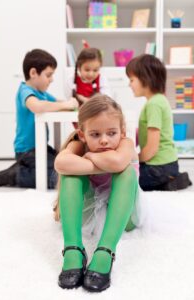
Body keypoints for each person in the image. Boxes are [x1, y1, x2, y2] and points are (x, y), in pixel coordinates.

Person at [54, 94, 143, 292]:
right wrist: (100, 164)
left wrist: (90, 157)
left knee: (126, 172)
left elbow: (119, 163)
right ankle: (73, 248)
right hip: (90, 212)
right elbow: (60, 163)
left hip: (124, 217)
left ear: (122, 131)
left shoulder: (125, 144)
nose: (104, 140)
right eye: (95, 135)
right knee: (70, 176)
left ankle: (106, 250)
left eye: (111, 133)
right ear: (83, 134)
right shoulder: (78, 144)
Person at [0, 49, 78, 188]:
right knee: (56, 177)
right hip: (26, 151)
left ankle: (25, 169)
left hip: (40, 147)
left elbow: (57, 103)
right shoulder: (25, 91)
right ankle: (16, 175)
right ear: (33, 73)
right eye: (49, 75)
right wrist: (66, 104)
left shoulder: (41, 93)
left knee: (62, 161)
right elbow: (37, 106)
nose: (52, 79)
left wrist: (70, 103)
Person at [126, 54, 192, 191]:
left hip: (159, 166)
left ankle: (167, 182)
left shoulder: (154, 105)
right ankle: (171, 179)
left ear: (145, 79)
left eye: (132, 80)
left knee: (127, 179)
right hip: (168, 164)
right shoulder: (159, 100)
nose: (129, 84)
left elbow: (151, 148)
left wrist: (133, 160)